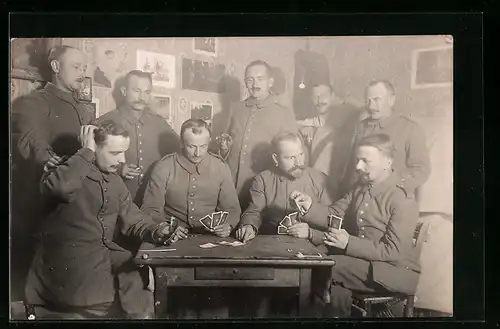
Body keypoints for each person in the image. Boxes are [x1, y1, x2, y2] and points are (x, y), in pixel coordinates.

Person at [24, 121, 177, 319]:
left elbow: (133, 217)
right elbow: (61, 187)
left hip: (101, 256)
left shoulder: (114, 180)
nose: (122, 160)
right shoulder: (64, 170)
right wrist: (86, 151)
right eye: (114, 153)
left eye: (123, 152)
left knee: (139, 286)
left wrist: (156, 230)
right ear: (94, 147)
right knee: (114, 298)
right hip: (66, 266)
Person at [292, 134, 421, 318]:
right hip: (362, 262)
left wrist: (348, 243)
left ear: (388, 162)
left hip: (391, 270)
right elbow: (334, 215)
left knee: (324, 268)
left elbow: (393, 251)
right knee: (314, 259)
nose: (358, 167)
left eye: (365, 161)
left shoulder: (402, 199)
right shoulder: (361, 187)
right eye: (357, 160)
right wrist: (309, 207)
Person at [11, 45, 95, 300]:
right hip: (42, 206)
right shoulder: (33, 102)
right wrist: (47, 158)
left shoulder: (84, 109)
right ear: (56, 67)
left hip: (77, 208)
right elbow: (29, 138)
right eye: (76, 67)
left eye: (84, 68)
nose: (82, 73)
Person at [141, 118, 241, 319]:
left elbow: (232, 209)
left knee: (215, 301)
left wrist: (227, 225)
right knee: (179, 303)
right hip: (174, 241)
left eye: (203, 146)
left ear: (210, 141)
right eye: (191, 146)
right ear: (181, 143)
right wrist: (166, 227)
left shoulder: (220, 167)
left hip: (211, 241)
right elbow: (150, 209)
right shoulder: (164, 166)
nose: (198, 153)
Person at [234, 131, 334, 318]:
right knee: (261, 301)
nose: (298, 161)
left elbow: (333, 220)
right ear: (275, 158)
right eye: (290, 157)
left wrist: (311, 232)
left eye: (301, 154)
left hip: (311, 250)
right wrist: (249, 225)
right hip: (273, 248)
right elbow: (254, 210)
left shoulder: (320, 179)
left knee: (309, 304)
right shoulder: (262, 179)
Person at [96, 70, 179, 208]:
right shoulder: (106, 121)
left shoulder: (160, 124)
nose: (142, 97)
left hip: (152, 203)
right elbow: (88, 160)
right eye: (136, 91)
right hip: (114, 201)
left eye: (146, 92)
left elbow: (178, 155)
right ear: (124, 91)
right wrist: (119, 169)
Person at [222, 60, 299, 209]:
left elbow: (291, 156)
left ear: (270, 82)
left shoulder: (283, 113)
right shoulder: (236, 109)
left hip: (263, 186)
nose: (254, 84)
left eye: (260, 79)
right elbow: (225, 144)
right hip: (231, 184)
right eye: (250, 80)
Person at [338, 80, 430, 199]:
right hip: (360, 196)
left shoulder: (411, 129)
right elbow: (351, 168)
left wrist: (392, 184)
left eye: (376, 100)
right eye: (368, 101)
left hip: (391, 198)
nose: (371, 106)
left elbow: (421, 170)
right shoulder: (360, 127)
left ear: (391, 101)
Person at [297, 83, 362, 198]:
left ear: (333, 96)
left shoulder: (348, 113)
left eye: (323, 95)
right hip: (320, 183)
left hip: (342, 181)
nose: (319, 100)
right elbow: (306, 122)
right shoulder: (315, 122)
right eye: (315, 96)